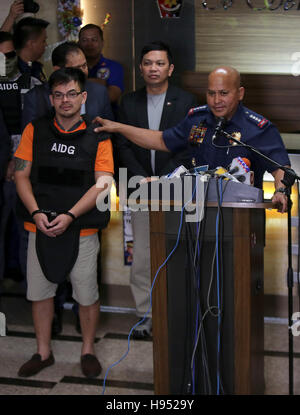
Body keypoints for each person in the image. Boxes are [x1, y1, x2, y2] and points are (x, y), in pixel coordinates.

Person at [14, 67, 114, 378]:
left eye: (72, 93)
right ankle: (42, 352)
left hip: (81, 228)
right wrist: (35, 212)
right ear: (50, 98)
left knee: (86, 294)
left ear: (83, 97)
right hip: (39, 226)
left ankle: (88, 349)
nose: (65, 100)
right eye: (58, 94)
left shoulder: (98, 135)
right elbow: (21, 174)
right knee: (40, 293)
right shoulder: (35, 129)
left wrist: (71, 215)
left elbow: (104, 182)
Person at [94, 66, 290, 213]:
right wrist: (118, 127)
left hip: (241, 219)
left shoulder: (257, 128)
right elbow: (161, 140)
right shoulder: (197, 119)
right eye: (211, 93)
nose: (216, 100)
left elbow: (280, 168)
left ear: (240, 93)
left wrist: (281, 191)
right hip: (195, 215)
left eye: (224, 93)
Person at [116, 41, 197, 339]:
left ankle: (177, 312)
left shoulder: (187, 101)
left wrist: (160, 180)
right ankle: (145, 316)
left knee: (177, 253)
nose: (153, 68)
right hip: (139, 189)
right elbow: (122, 145)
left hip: (174, 189)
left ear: (170, 68)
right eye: (148, 63)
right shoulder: (128, 102)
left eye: (160, 63)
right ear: (141, 67)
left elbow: (190, 147)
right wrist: (141, 179)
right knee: (141, 258)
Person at [0, 31, 41, 283]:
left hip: (20, 162)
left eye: (9, 55)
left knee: (26, 227)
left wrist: (14, 159)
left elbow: (31, 125)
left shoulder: (29, 81)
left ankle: (31, 288)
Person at [78, 23, 124, 112]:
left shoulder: (114, 67)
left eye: (94, 40)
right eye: (85, 40)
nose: (89, 44)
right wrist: (100, 84)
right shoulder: (73, 67)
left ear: (102, 43)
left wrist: (81, 83)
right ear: (79, 43)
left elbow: (112, 96)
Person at [13, 16, 49, 82]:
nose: (46, 45)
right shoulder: (13, 72)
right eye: (43, 41)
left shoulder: (36, 66)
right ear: (31, 44)